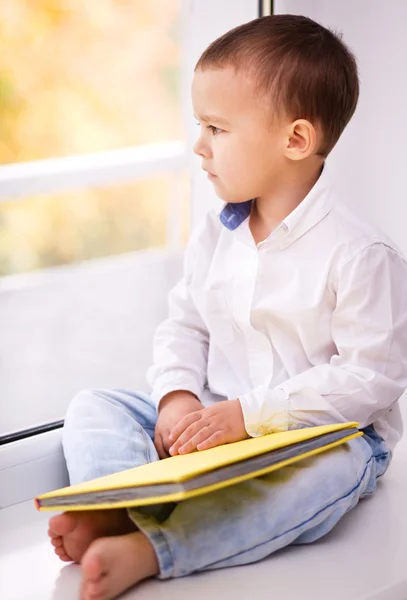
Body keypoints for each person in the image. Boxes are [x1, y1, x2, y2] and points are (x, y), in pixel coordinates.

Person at [48, 14, 407, 600]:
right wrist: (177, 396)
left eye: (216, 128)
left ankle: (157, 548)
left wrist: (251, 415)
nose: (199, 145)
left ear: (295, 140)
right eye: (200, 125)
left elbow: (373, 377)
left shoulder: (362, 253)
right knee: (98, 405)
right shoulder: (217, 233)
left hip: (318, 437)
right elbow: (184, 324)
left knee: (334, 470)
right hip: (216, 412)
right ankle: (120, 506)